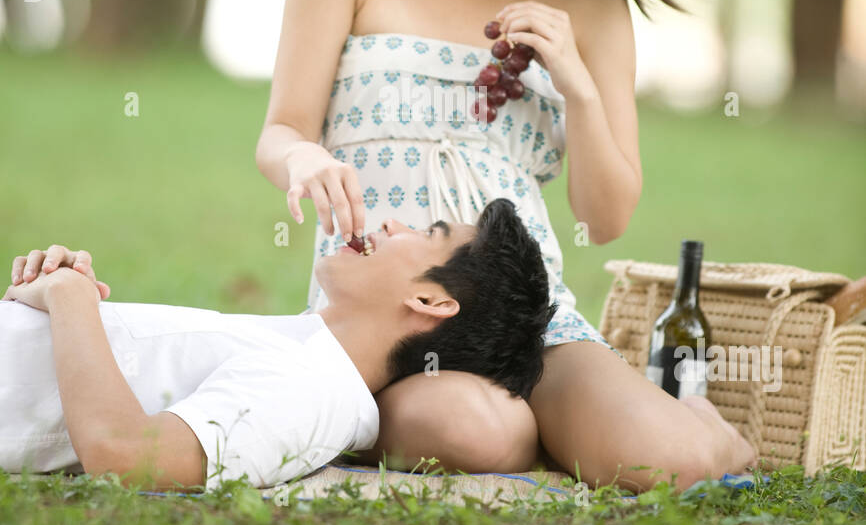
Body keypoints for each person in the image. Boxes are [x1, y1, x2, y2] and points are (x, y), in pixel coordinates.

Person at [256, 0, 757, 491]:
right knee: (478, 428)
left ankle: (692, 427)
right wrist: (303, 160)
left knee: (672, 463)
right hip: (384, 322)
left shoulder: (588, 0)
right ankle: (531, 429)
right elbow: (281, 131)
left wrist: (575, 83)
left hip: (530, 319)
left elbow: (607, 214)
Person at [0, 199, 553, 491]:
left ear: (432, 302)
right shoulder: (303, 348)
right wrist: (52, 299)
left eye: (427, 233)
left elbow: (124, 455)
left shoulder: (314, 391)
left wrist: (71, 298)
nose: (390, 223)